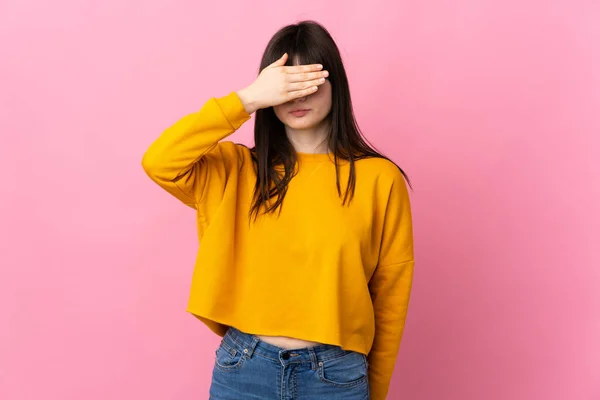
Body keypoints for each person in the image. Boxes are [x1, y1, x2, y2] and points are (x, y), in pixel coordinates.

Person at [142, 20, 414, 400]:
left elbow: (390, 299)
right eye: (286, 84)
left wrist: (376, 392)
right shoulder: (235, 170)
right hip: (244, 369)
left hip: (336, 377)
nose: (297, 96)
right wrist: (247, 100)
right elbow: (159, 161)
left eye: (310, 80)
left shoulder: (378, 179)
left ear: (336, 83)